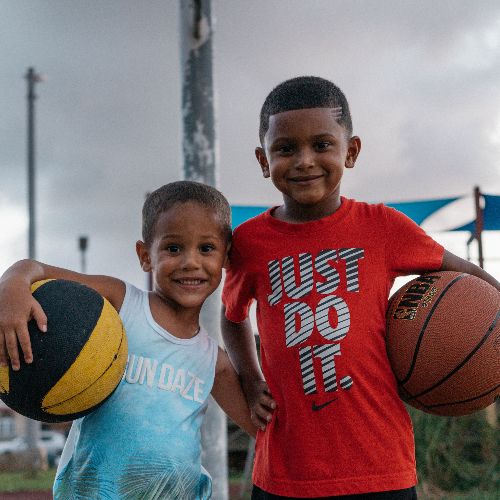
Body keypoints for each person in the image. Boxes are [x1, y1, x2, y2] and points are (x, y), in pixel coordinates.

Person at [220, 76, 500, 500]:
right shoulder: (249, 242)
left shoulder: (383, 227)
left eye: (321, 145)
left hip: (379, 465)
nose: (304, 161)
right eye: (285, 149)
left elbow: (470, 278)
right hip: (286, 469)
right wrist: (248, 375)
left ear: (350, 152)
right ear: (263, 160)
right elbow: (232, 316)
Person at [0, 180, 257, 500]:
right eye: (173, 248)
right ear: (145, 255)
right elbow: (33, 269)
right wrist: (11, 286)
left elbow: (262, 431)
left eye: (206, 248)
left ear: (226, 258)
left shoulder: (212, 360)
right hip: (92, 492)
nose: (191, 262)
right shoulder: (122, 302)